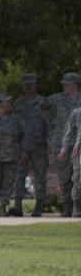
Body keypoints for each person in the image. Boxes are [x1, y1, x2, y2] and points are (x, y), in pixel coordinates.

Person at [14, 73, 53, 216]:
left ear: (36, 85)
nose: (29, 87)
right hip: (22, 147)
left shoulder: (44, 103)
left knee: (40, 177)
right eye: (26, 84)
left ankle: (38, 206)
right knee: (19, 175)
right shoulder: (18, 104)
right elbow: (14, 126)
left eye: (31, 84)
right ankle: (17, 205)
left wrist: (51, 143)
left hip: (39, 145)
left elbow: (50, 124)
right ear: (23, 87)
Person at [50, 73, 81, 216]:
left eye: (67, 84)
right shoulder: (57, 99)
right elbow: (44, 111)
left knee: (77, 176)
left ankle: (77, 206)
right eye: (64, 84)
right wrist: (53, 131)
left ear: (76, 84)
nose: (64, 86)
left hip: (78, 145)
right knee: (64, 176)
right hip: (62, 143)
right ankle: (67, 205)